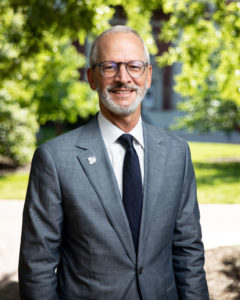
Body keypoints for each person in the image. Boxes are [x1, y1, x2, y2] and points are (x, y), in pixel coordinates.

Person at [19, 25, 209, 299]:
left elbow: (188, 251)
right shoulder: (54, 159)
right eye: (109, 67)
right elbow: (37, 266)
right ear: (92, 78)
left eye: (134, 66)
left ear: (147, 76)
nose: (123, 78)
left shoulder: (177, 152)